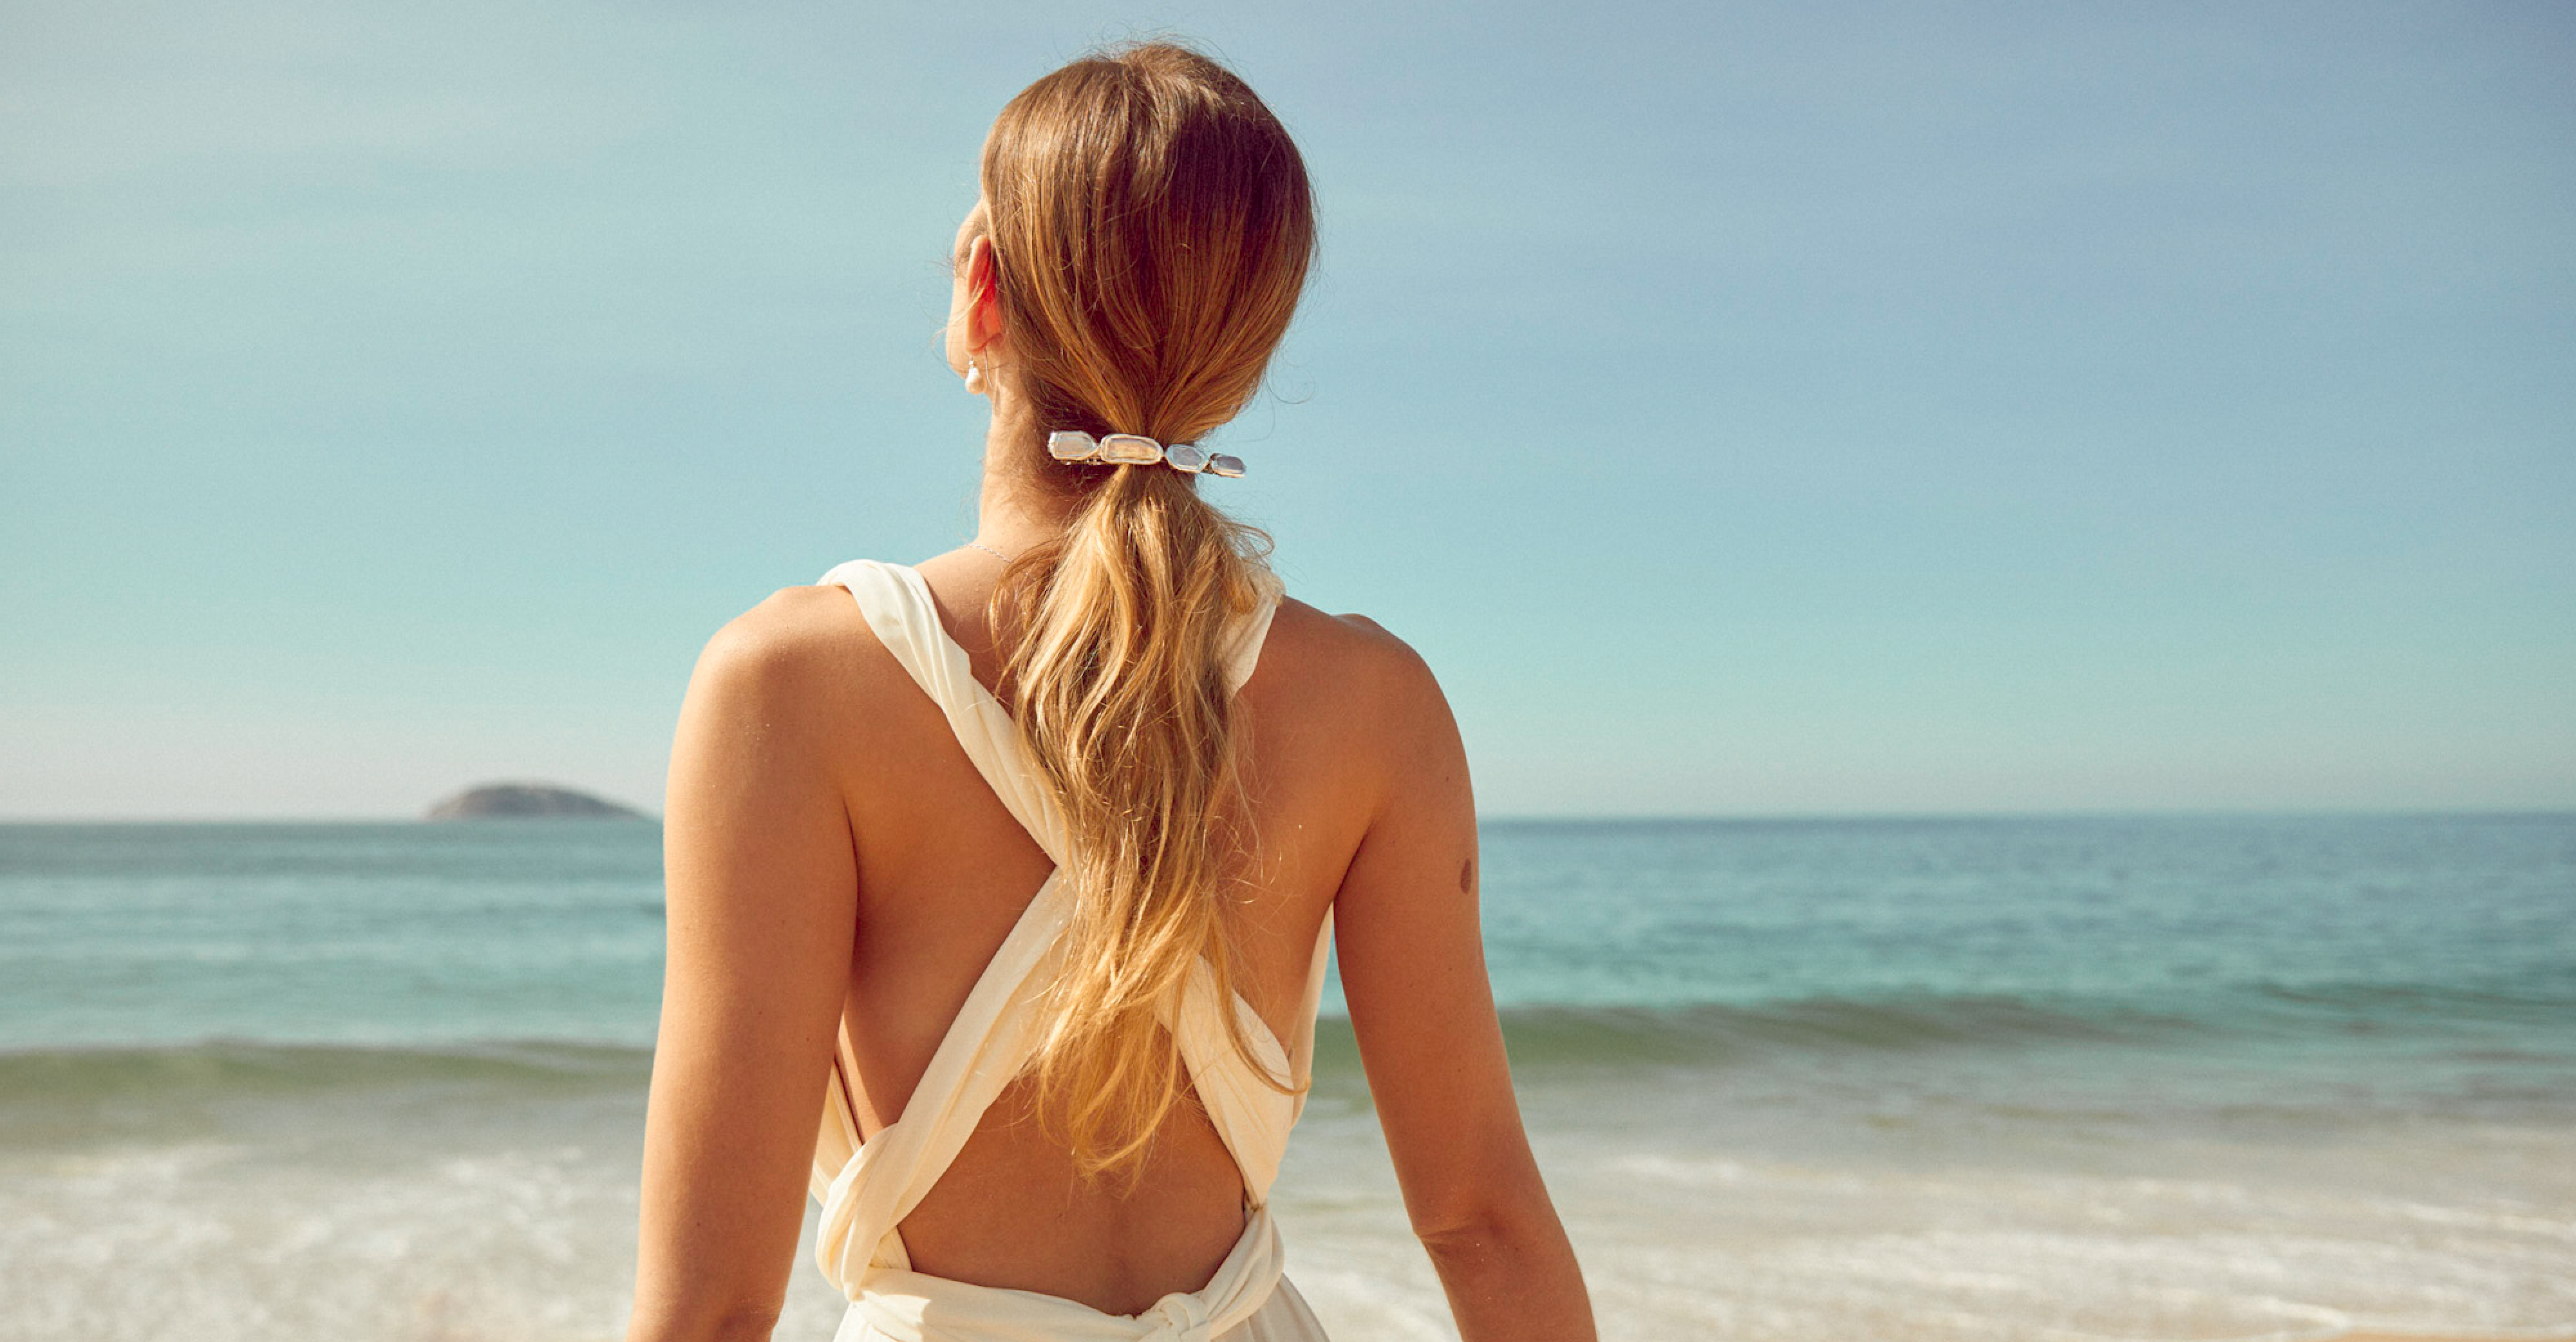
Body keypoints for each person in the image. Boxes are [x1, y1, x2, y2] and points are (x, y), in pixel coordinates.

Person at [626, 42, 1595, 1342]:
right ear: (1242, 363)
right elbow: (1482, 1222)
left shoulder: (793, 685)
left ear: (980, 291)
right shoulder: (1376, 705)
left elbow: (709, 1307)